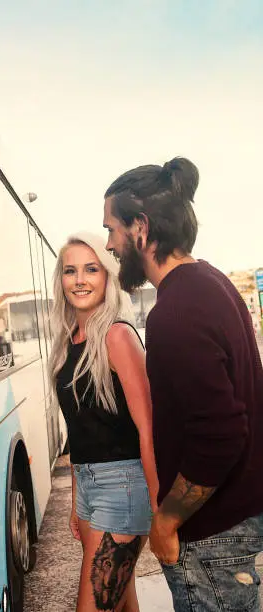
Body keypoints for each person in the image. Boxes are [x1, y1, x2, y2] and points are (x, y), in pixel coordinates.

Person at [103, 157, 263, 611]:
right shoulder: (212, 282)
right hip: (233, 522)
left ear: (140, 227)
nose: (110, 245)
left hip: (211, 537)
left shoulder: (175, 313)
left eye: (112, 229)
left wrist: (167, 522)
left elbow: (222, 434)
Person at [48, 232, 159, 612]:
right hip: (91, 487)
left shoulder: (117, 335)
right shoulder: (70, 341)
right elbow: (81, 431)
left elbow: (148, 428)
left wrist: (161, 510)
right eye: (70, 271)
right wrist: (78, 499)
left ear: (108, 276)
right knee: (122, 605)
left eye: (91, 269)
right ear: (60, 280)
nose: (80, 280)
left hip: (125, 487)